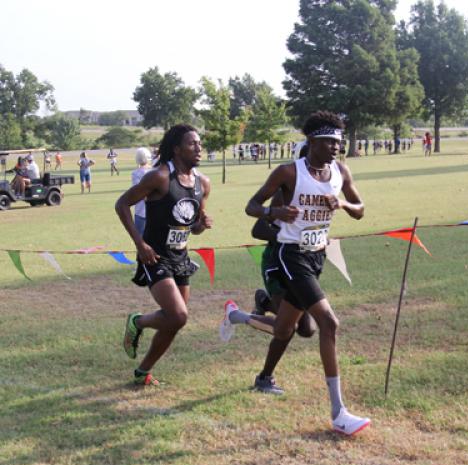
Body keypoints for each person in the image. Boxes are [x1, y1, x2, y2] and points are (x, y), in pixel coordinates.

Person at [235, 110, 370, 436]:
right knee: (328, 323)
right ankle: (339, 413)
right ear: (311, 142)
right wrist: (275, 211)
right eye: (329, 142)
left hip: (316, 256)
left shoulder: (341, 172)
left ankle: (238, 318)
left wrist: (343, 205)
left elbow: (361, 210)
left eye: (338, 142)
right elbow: (252, 206)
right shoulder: (287, 172)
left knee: (286, 329)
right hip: (289, 254)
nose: (336, 147)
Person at [115, 124, 213, 385]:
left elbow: (192, 226)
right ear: (177, 148)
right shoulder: (159, 177)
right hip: (154, 256)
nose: (199, 147)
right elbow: (122, 204)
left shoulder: (203, 183)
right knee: (178, 315)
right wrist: (140, 244)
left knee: (174, 322)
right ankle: (138, 321)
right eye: (192, 143)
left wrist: (200, 226)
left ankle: (142, 371)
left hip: (181, 257)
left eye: (200, 143)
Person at [220, 142, 318, 395]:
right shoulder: (284, 194)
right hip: (277, 263)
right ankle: (263, 375)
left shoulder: (321, 190)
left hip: (301, 263)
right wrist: (286, 232)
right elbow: (258, 229)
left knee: (307, 329)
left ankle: (259, 303)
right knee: (285, 329)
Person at [131, 147, 152, 235]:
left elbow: (137, 191)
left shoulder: (135, 173)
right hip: (155, 210)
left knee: (140, 240)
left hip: (140, 211)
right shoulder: (155, 171)